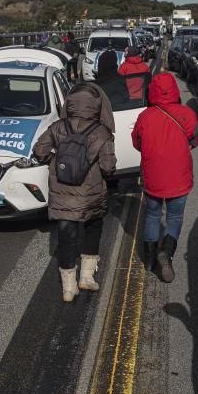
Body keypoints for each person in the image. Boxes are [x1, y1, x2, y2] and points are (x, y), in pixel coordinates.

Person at [33, 83, 117, 302]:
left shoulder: (57, 127)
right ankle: (87, 277)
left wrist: (54, 162)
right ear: (96, 106)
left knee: (66, 236)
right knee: (92, 228)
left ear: (71, 103)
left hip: (62, 191)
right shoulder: (102, 132)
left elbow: (39, 151)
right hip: (91, 192)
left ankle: (68, 288)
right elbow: (108, 167)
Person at [132, 72, 198, 282]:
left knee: (152, 215)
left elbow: (137, 143)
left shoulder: (145, 116)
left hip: (153, 176)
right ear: (174, 90)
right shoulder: (187, 114)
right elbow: (195, 139)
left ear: (152, 91)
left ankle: (150, 259)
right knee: (174, 217)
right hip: (179, 176)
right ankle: (167, 251)